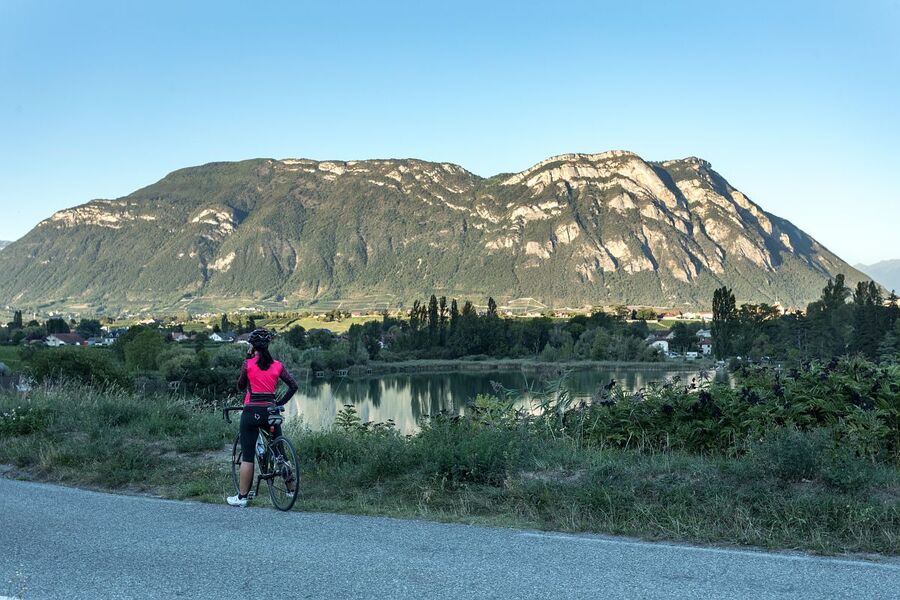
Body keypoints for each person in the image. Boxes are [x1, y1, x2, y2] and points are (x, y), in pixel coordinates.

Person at [227, 328, 299, 507]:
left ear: (252, 346)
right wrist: (278, 403)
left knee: (248, 456)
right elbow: (293, 386)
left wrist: (248, 359)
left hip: (251, 412)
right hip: (271, 411)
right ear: (267, 346)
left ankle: (242, 498)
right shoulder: (277, 365)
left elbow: (240, 386)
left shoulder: (248, 364)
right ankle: (290, 490)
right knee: (280, 452)